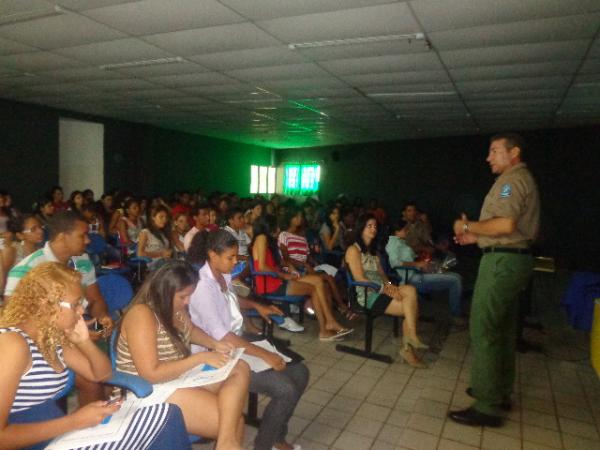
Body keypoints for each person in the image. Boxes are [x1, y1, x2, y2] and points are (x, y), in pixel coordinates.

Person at [0, 262, 191, 450]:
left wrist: (84, 342)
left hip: (58, 434)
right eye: (75, 305)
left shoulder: (51, 336)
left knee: (165, 414)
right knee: (164, 421)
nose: (81, 311)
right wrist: (74, 422)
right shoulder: (13, 344)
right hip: (43, 440)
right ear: (46, 303)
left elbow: (102, 375)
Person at [448, 132, 540, 427]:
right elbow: (506, 229)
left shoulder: (511, 181)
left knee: (484, 327)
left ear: (513, 152)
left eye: (494, 151)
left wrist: (464, 224)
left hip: (502, 262)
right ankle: (498, 392)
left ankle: (486, 405)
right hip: (513, 259)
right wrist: (475, 236)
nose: (488, 157)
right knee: (502, 329)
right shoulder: (518, 180)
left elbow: (505, 224)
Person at [188, 229, 308, 450]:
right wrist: (266, 355)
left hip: (237, 343)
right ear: (212, 255)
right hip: (218, 355)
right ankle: (264, 445)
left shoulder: (222, 274)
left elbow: (231, 299)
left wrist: (256, 305)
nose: (236, 262)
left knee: (301, 372)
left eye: (236, 256)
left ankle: (276, 435)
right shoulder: (202, 287)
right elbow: (222, 337)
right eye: (230, 257)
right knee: (286, 389)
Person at [116, 260, 249, 450]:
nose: (187, 301)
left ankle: (225, 441)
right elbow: (150, 374)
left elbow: (191, 330)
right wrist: (200, 358)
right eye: (183, 296)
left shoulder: (176, 309)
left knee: (240, 367)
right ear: (164, 290)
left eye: (190, 295)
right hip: (147, 391)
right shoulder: (141, 314)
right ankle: (226, 441)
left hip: (175, 378)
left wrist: (214, 344)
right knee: (234, 422)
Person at [4, 211, 115, 405]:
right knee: (91, 381)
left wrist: (101, 320)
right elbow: (15, 318)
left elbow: (95, 301)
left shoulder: (82, 261)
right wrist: (69, 333)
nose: (88, 241)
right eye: (83, 235)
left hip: (74, 326)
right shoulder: (25, 269)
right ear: (63, 236)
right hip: (43, 339)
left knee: (109, 378)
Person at [345, 214, 427, 368]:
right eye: (369, 226)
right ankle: (408, 348)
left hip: (381, 290)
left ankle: (411, 338)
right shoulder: (353, 250)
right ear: (361, 228)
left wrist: (391, 286)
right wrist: (386, 290)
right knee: (411, 309)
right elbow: (360, 279)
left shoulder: (373, 252)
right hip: (367, 295)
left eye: (375, 226)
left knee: (410, 290)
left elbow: (383, 276)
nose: (373, 229)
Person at [252, 215, 351, 340]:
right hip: (270, 283)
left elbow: (277, 263)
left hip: (277, 278)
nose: (278, 228)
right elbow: (261, 266)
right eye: (275, 226)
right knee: (315, 287)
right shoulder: (261, 238)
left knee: (319, 281)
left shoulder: (267, 240)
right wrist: (284, 274)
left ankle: (328, 324)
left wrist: (289, 268)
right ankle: (326, 327)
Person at [386, 220, 465, 325]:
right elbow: (394, 263)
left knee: (456, 276)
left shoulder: (401, 242)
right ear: (396, 231)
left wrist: (422, 264)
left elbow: (409, 260)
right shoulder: (393, 243)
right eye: (405, 229)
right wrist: (417, 265)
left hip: (416, 274)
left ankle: (455, 311)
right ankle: (455, 315)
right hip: (411, 279)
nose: (408, 231)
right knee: (455, 280)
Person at [137, 205, 173, 269]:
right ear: (153, 217)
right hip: (153, 263)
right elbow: (140, 254)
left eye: (166, 217)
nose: (164, 219)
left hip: (165, 261)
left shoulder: (163, 233)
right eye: (161, 217)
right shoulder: (145, 232)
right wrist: (161, 254)